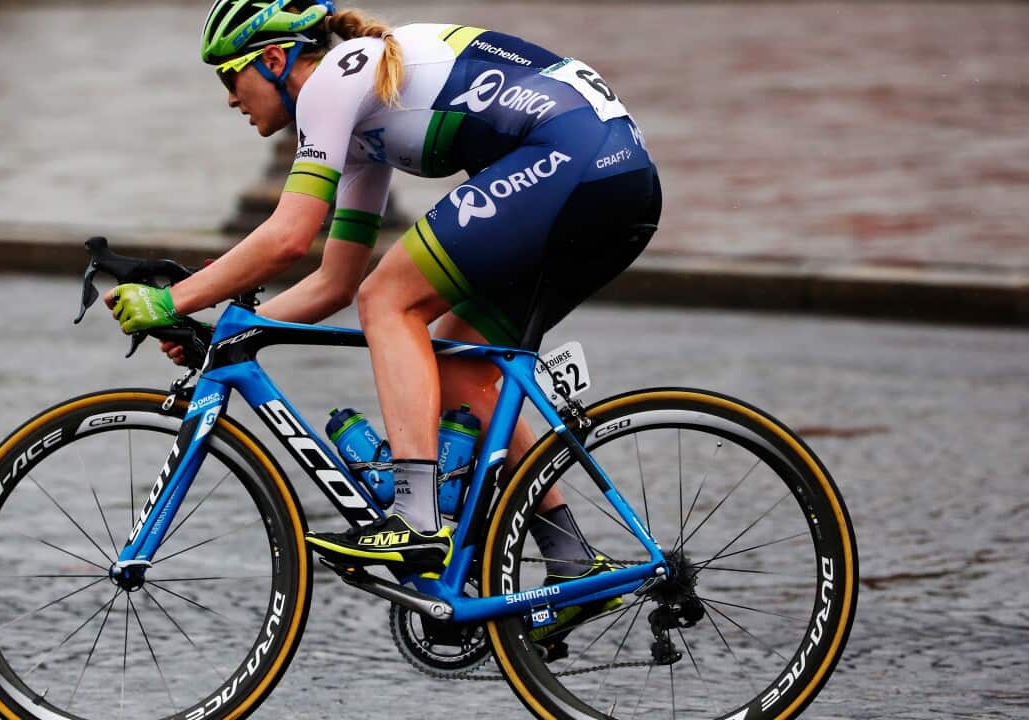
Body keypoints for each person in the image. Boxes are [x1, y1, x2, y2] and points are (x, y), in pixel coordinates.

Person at [106, 0, 660, 619]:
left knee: (390, 299)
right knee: (463, 364)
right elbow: (332, 282)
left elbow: (288, 237)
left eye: (227, 76)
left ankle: (416, 519)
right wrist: (224, 338)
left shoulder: (336, 79)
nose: (229, 99)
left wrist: (169, 299)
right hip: (613, 180)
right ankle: (570, 559)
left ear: (271, 58)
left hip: (576, 164)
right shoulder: (360, 122)